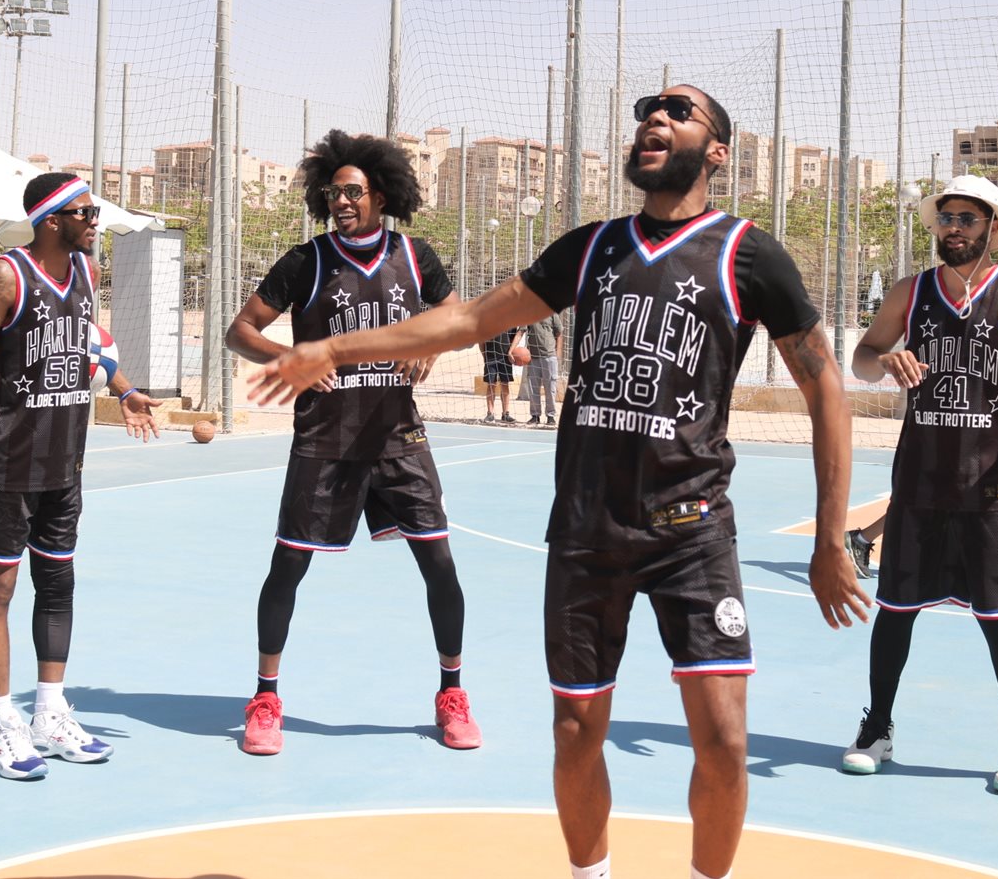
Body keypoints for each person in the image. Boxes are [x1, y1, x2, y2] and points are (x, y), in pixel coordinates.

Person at [248, 88, 869, 879]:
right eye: (648, 112)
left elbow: (825, 387)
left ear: (718, 151)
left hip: (692, 527)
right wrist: (335, 348)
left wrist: (829, 538)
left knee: (723, 739)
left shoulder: (748, 254)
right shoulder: (593, 248)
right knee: (575, 732)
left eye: (679, 112)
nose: (655, 118)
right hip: (586, 528)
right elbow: (468, 320)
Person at [839, 175, 998, 796]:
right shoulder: (911, 292)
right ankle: (877, 729)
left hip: (994, 486)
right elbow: (863, 358)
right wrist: (885, 359)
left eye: (966, 218)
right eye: (945, 218)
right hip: (922, 481)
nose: (953, 228)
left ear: (991, 226)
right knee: (895, 612)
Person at [225, 128, 483, 757]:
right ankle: (265, 698)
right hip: (325, 440)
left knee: (440, 564)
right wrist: (289, 358)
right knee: (288, 565)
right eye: (333, 192)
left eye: (353, 192)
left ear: (381, 195)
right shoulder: (306, 262)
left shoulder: (415, 256)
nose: (341, 201)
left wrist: (430, 345)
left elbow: (460, 320)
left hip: (398, 437)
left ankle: (452, 693)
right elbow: (240, 330)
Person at [0, 173, 161, 781]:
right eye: (86, 212)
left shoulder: (88, 272)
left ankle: (50, 713)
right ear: (52, 219)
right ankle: (1, 725)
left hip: (65, 462)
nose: (96, 221)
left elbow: (86, 347)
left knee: (58, 584)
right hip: (5, 465)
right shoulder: (5, 277)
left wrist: (125, 390)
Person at [844, 432, 998, 579]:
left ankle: (861, 540)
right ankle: (861, 540)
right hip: (944, 442)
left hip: (964, 443)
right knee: (923, 505)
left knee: (933, 504)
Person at [516, 312, 564, 425]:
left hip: (549, 356)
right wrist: (511, 350)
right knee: (533, 388)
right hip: (533, 357)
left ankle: (551, 416)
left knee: (550, 388)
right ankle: (535, 415)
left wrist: (557, 354)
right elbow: (521, 331)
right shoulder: (529, 312)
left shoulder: (552, 312)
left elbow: (559, 333)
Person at [481, 328, 516, 422]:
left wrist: (511, 352)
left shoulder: (510, 323)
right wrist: (484, 355)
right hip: (490, 356)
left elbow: (513, 339)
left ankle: (506, 414)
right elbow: (481, 340)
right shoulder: (487, 322)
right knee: (491, 384)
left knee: (505, 384)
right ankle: (490, 413)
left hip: (505, 357)